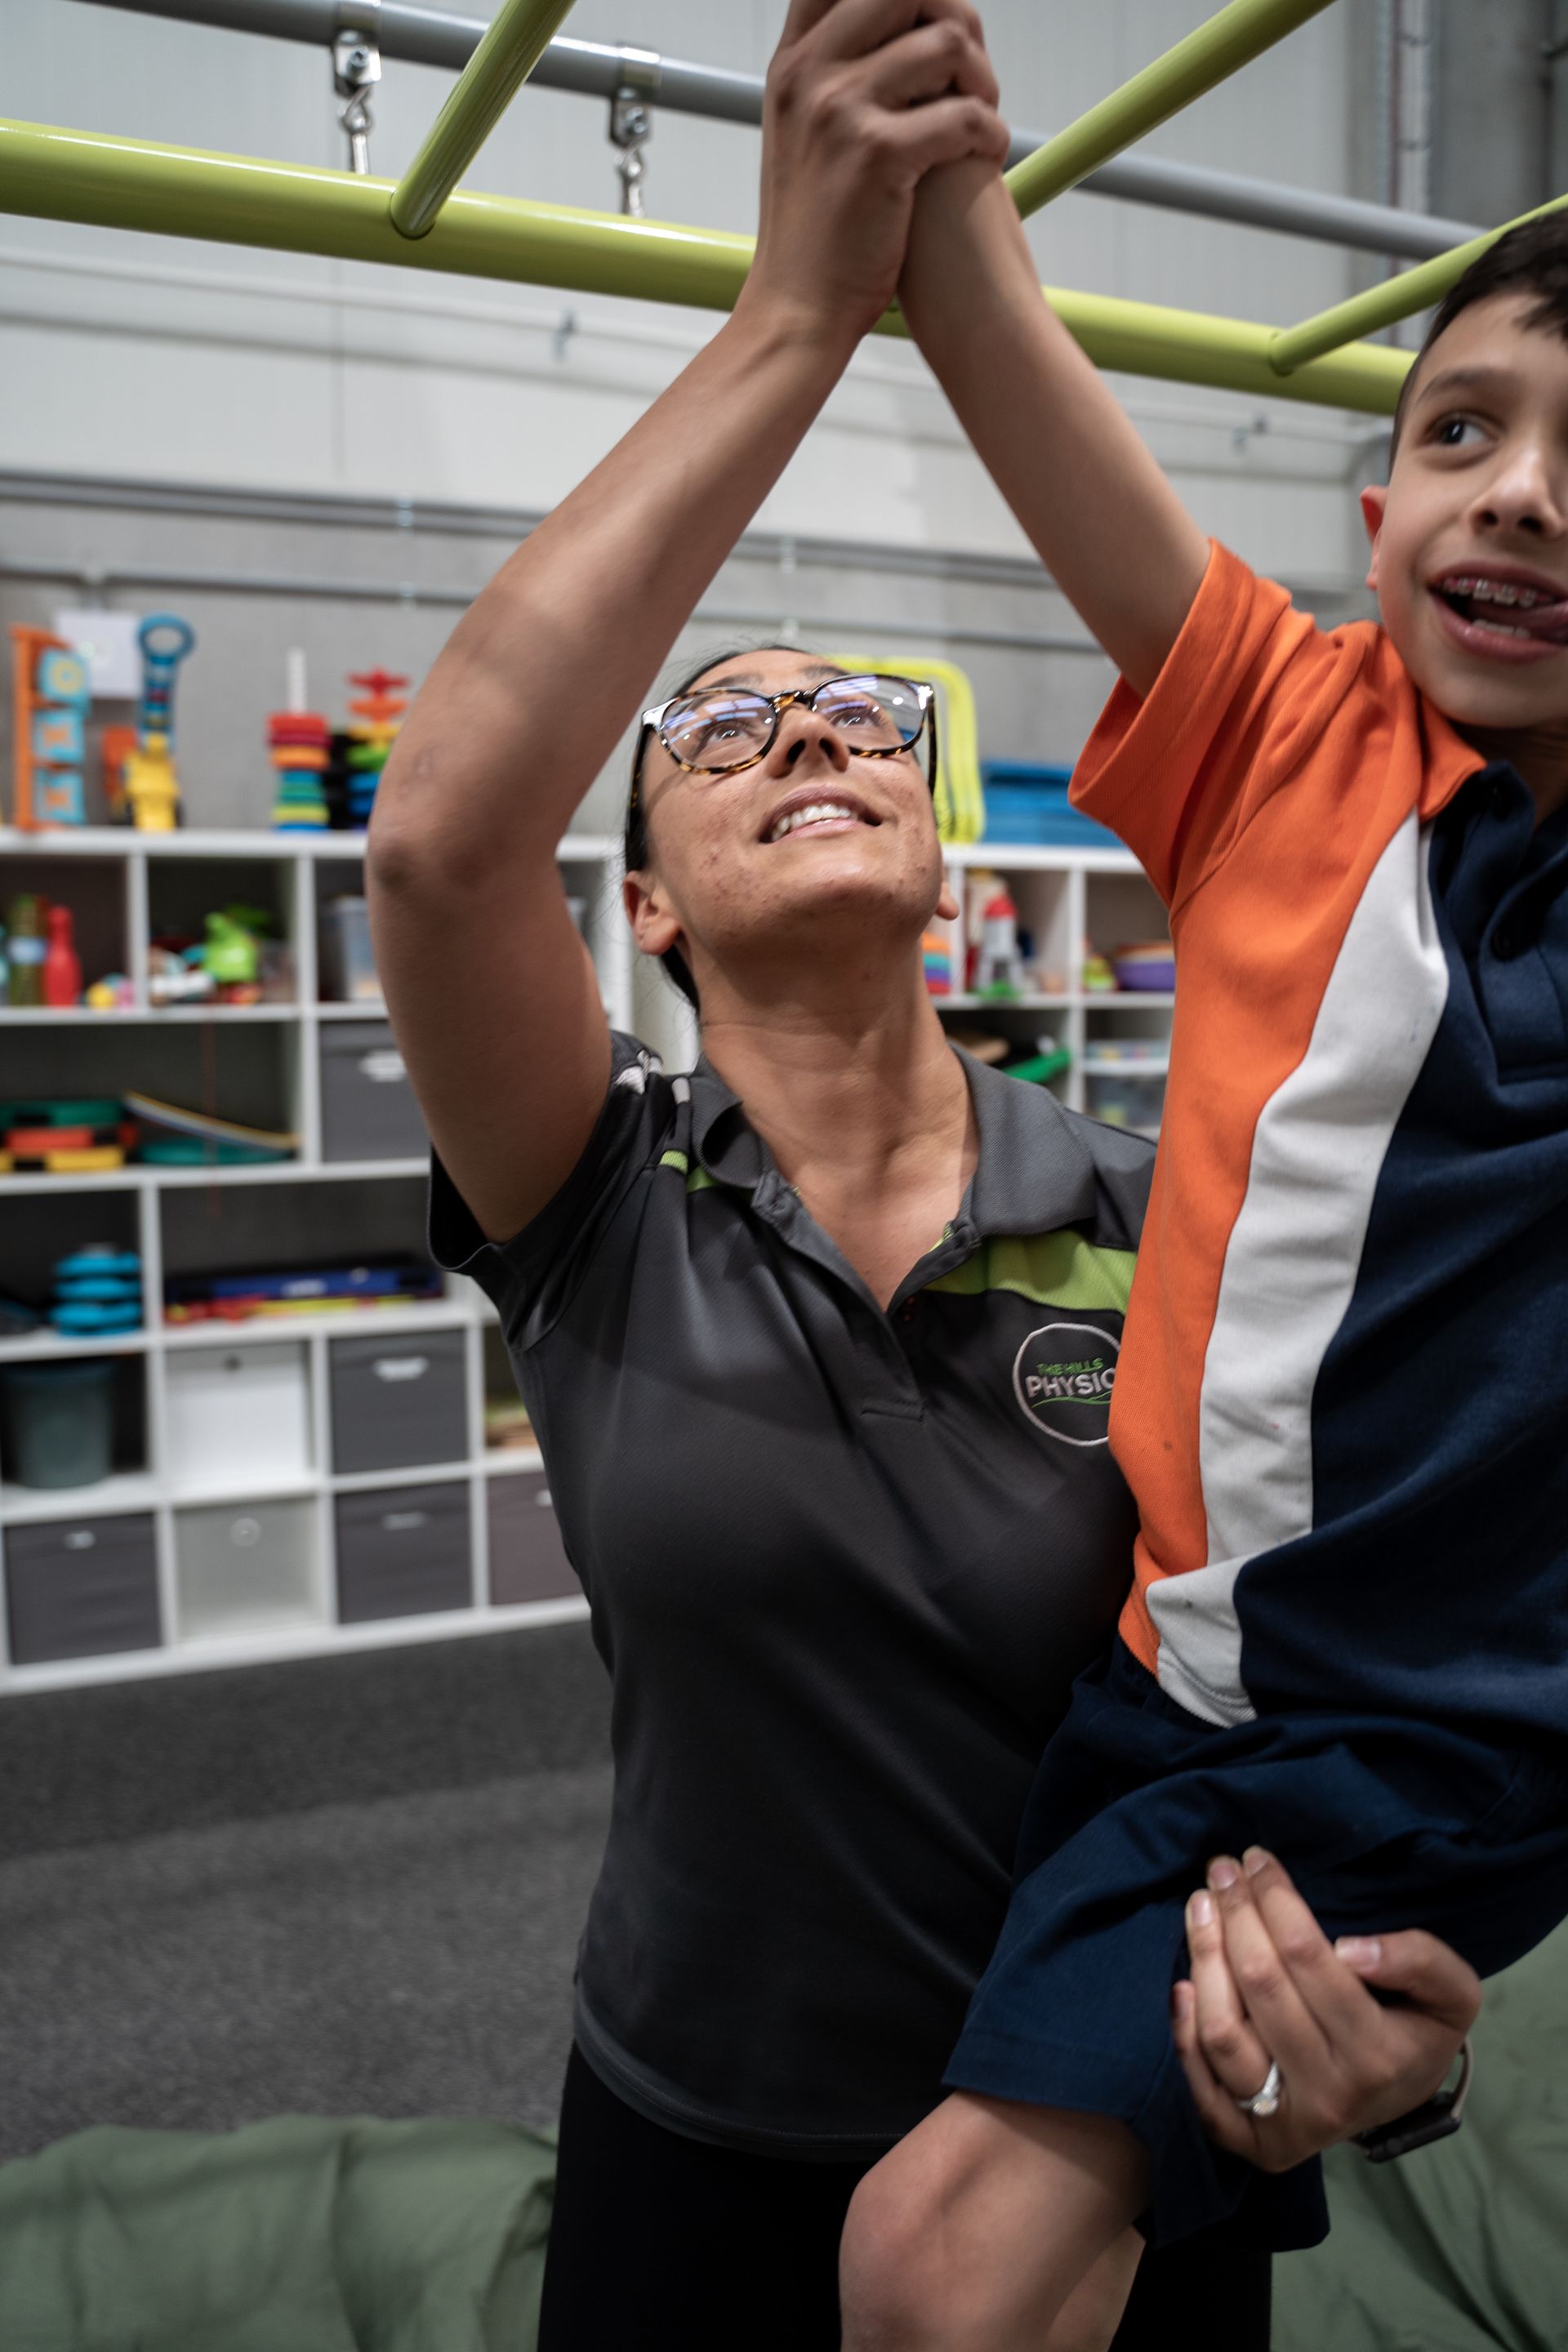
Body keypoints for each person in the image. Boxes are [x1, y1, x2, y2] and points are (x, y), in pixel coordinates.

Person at [367, 6, 1482, 2345]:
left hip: (1101, 2139)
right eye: (719, 730)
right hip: (691, 2120)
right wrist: (799, 313)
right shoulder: (599, 1195)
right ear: (646, 906)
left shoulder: (1156, 1185)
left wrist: (1379, 2022)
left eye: (863, 717)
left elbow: (1335, 1642)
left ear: (948, 864)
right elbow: (449, 834)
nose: (804, 728)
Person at [835, 46, 1568, 2352]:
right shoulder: (1293, 734)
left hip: (1428, 1737)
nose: (1524, 497)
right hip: (1180, 1676)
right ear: (1373, 508)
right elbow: (981, 310)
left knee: (943, 2261)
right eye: (1464, 432)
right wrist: (895, 83)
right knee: (1146, 2219)